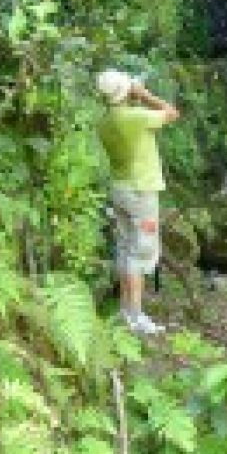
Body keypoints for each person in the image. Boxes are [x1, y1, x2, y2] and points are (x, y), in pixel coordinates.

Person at [97, 70, 179, 334]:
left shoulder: (106, 121)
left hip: (120, 189)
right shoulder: (136, 117)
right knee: (141, 250)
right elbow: (171, 112)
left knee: (124, 247)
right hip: (141, 192)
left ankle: (125, 311)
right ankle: (136, 316)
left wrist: (130, 94)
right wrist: (144, 95)